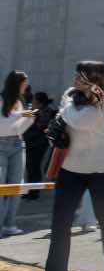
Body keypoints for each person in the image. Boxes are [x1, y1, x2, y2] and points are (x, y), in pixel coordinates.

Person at [45, 61, 104, 271]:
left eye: (81, 75)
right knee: (60, 221)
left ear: (93, 79)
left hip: (103, 168)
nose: (75, 79)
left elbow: (79, 120)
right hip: (71, 168)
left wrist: (64, 109)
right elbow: (66, 115)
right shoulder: (71, 95)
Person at [1, 70, 35, 235]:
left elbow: (17, 128)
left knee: (16, 186)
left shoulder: (20, 102)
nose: (26, 86)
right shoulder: (2, 100)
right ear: (16, 83)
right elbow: (2, 126)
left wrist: (29, 119)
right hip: (1, 145)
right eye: (24, 83)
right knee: (1, 188)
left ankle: (9, 224)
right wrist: (21, 114)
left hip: (18, 143)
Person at [23, 92, 52, 200]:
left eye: (34, 101)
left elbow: (41, 126)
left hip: (38, 144)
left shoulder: (45, 112)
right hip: (31, 142)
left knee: (34, 167)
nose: (32, 103)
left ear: (39, 103)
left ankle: (34, 192)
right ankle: (30, 190)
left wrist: (34, 115)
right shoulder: (38, 111)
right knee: (30, 167)